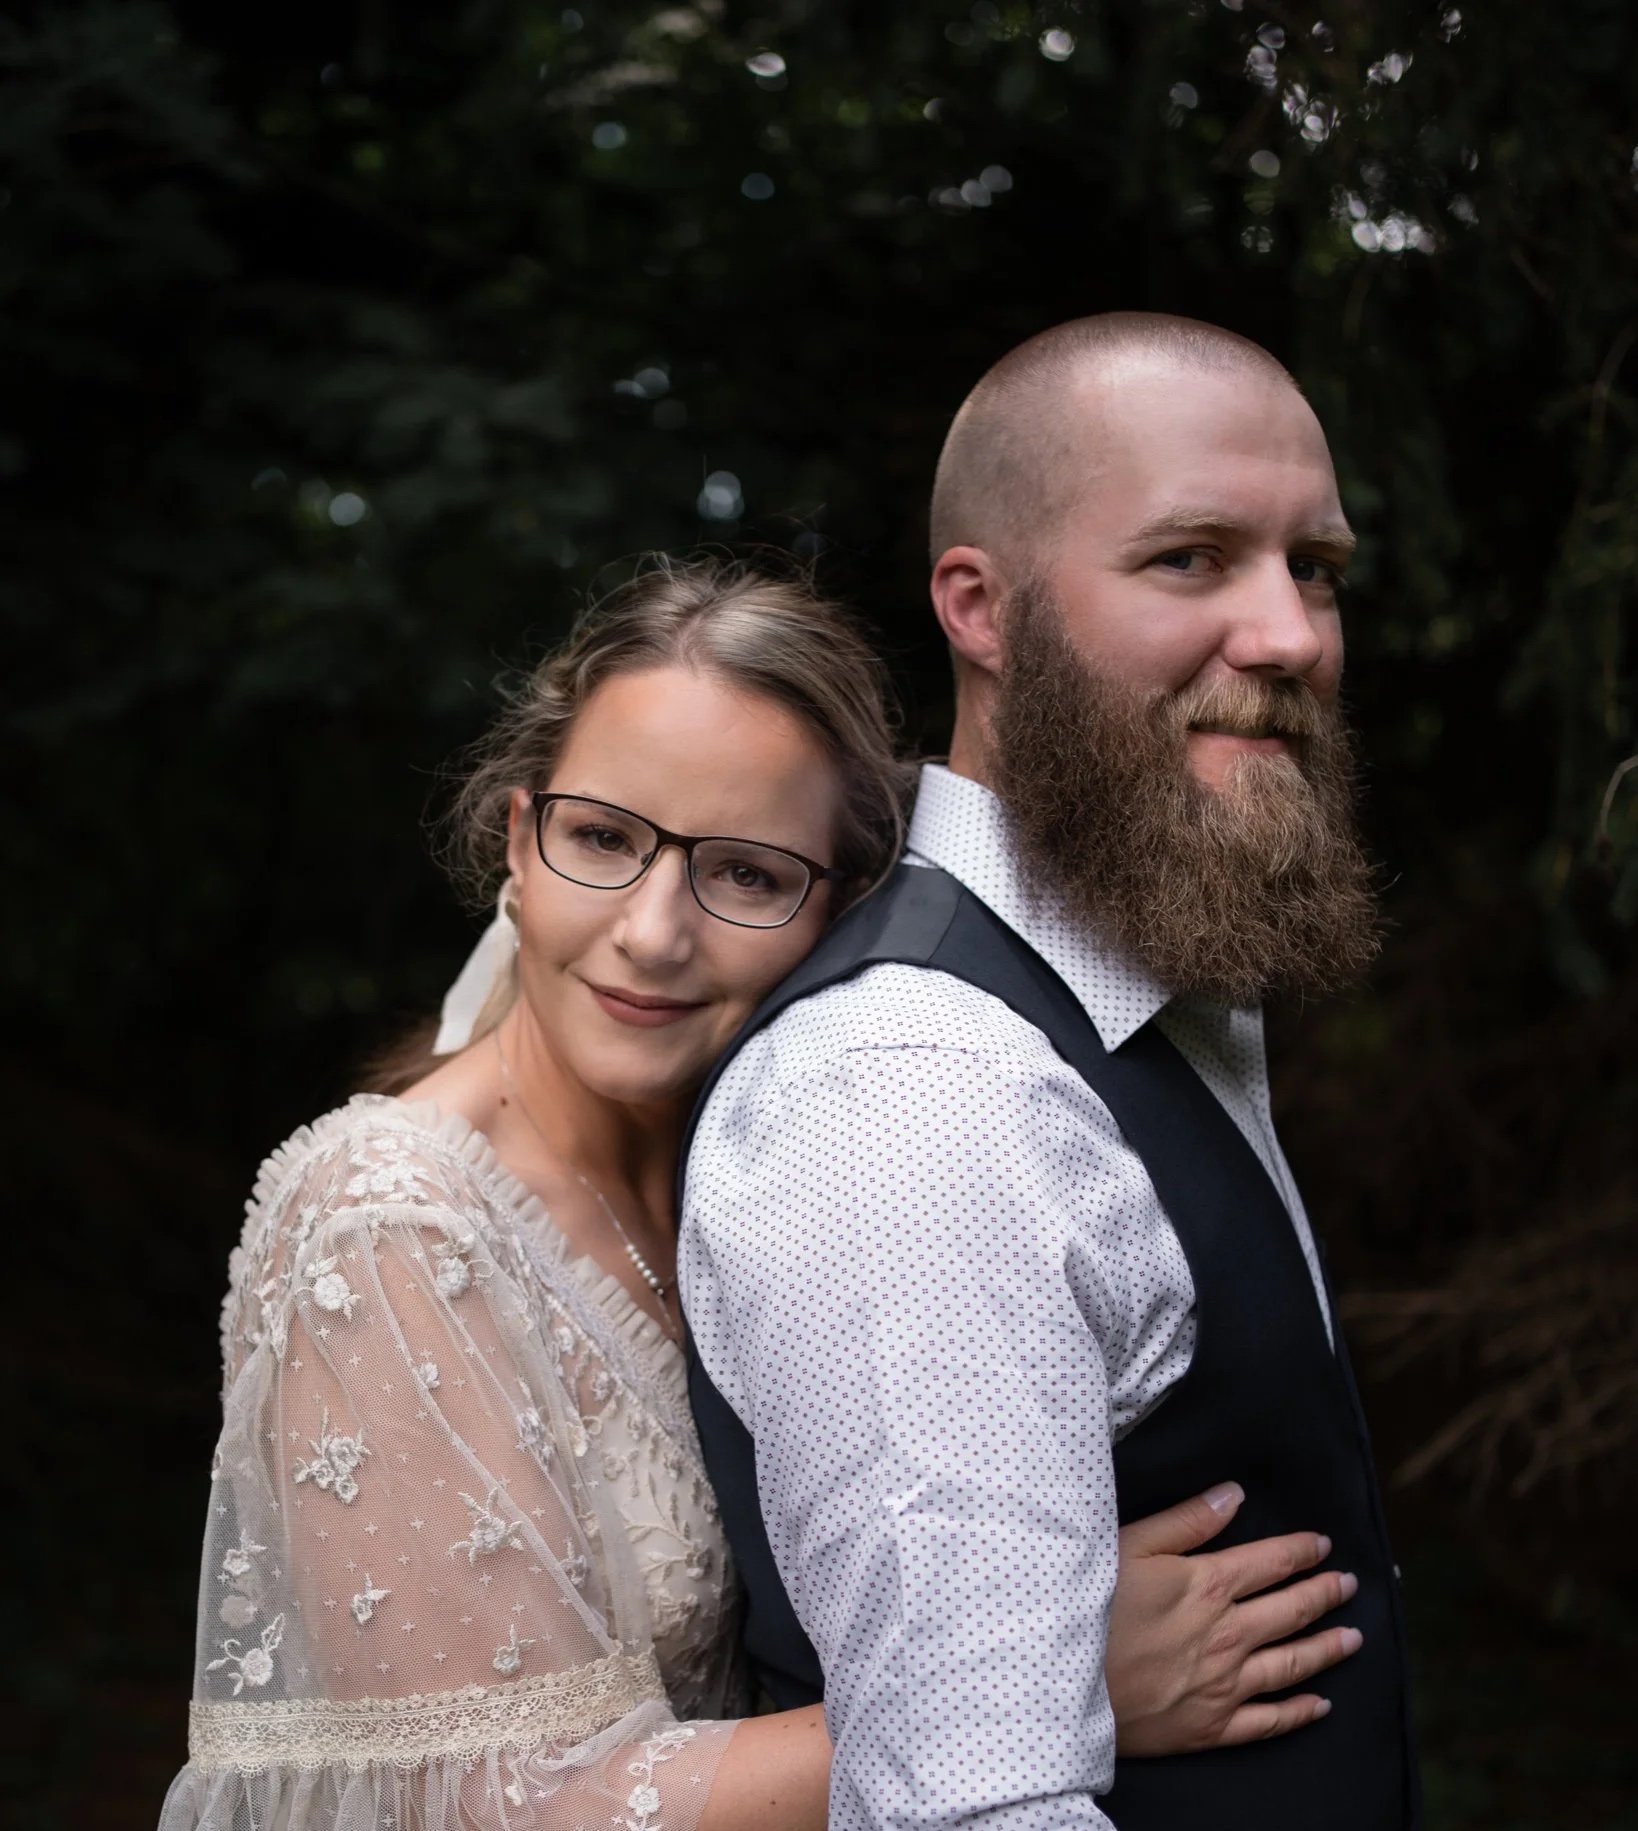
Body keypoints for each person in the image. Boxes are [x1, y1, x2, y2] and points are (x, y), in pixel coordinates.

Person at [161, 556, 1362, 1831]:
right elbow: (490, 1809)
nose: (654, 932)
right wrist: (1029, 1675)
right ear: (519, 840)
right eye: (604, 839)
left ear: (833, 909)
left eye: (743, 873)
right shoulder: (388, 1221)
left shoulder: (776, 1163)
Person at [680, 315, 1420, 1830]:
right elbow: (969, 1806)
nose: (1289, 634)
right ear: (982, 606)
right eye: (1190, 559)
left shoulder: (1149, 989)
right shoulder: (912, 1093)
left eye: (1315, 566)